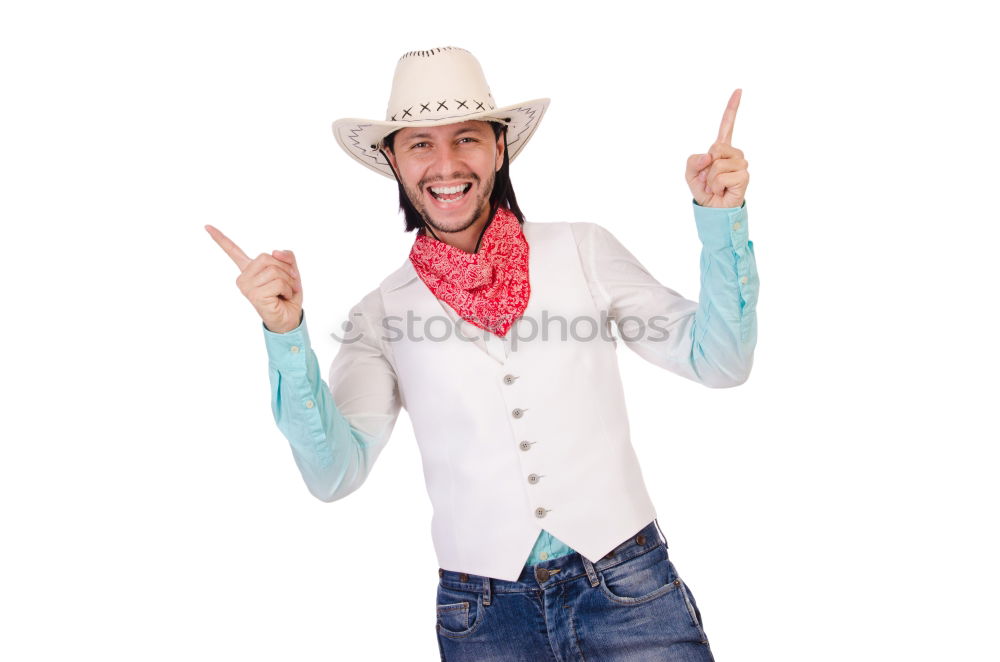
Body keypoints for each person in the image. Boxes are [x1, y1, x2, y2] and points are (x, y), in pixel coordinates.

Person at [206, 46, 757, 661]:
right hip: (487, 620)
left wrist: (721, 218)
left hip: (629, 591)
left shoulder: (582, 250)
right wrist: (286, 336)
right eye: (419, 144)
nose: (446, 164)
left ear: (499, 147)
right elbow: (335, 473)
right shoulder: (379, 313)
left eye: (466, 138)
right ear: (393, 160)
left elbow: (720, 361)